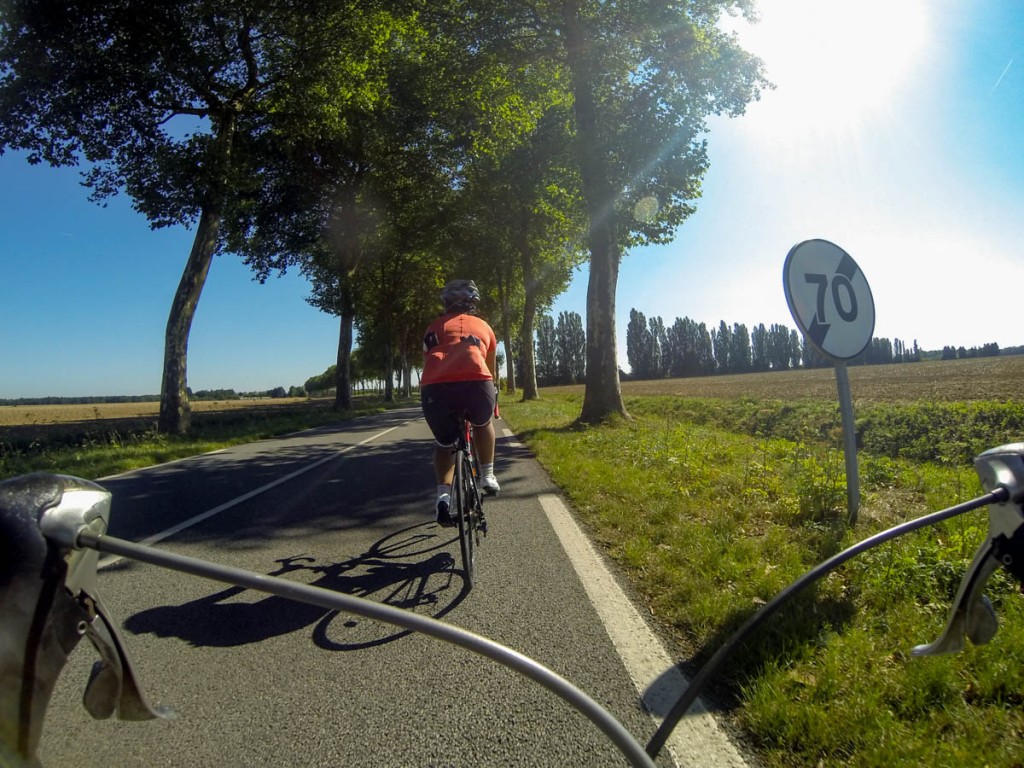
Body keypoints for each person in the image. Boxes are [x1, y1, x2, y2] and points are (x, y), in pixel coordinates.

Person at [420, 278, 500, 526]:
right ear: (474, 302)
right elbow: (490, 366)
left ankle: (443, 497)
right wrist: (493, 397)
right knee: (482, 423)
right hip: (477, 383)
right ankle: (487, 475)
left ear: (445, 303)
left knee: (444, 443)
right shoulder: (484, 327)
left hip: (436, 389)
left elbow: (427, 363)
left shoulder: (432, 328)